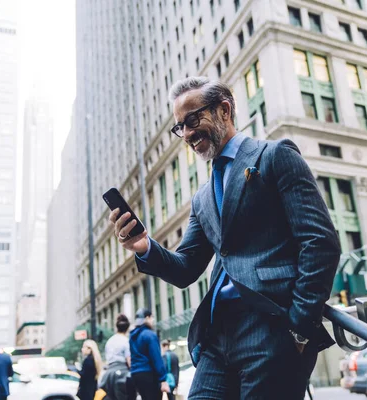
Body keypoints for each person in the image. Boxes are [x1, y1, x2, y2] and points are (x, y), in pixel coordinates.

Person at [110, 77, 341, 399]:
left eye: (193, 120)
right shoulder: (202, 198)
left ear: (224, 110)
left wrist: (299, 326)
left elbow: (320, 242)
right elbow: (186, 268)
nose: (188, 134)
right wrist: (144, 246)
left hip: (272, 327)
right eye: (180, 127)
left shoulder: (275, 157)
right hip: (216, 336)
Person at [129, 309, 169, 400]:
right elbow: (156, 358)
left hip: (136, 374)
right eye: (152, 318)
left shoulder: (132, 336)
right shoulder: (150, 335)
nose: (153, 321)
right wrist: (163, 379)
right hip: (148, 373)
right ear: (147, 318)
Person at [99, 314, 136, 400]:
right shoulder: (126, 341)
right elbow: (129, 360)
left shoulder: (110, 341)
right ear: (127, 328)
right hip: (122, 374)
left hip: (108, 374)